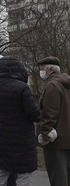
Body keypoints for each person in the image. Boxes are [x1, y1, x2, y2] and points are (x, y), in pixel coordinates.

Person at [0, 56, 41, 186]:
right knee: (24, 173)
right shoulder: (22, 88)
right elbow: (35, 114)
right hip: (21, 138)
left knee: (3, 169)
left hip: (1, 135)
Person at [37, 56, 70, 186]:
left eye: (42, 69)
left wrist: (45, 133)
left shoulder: (52, 86)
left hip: (56, 140)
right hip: (67, 136)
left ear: (50, 69)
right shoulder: (66, 84)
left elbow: (49, 113)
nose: (41, 72)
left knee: (58, 177)